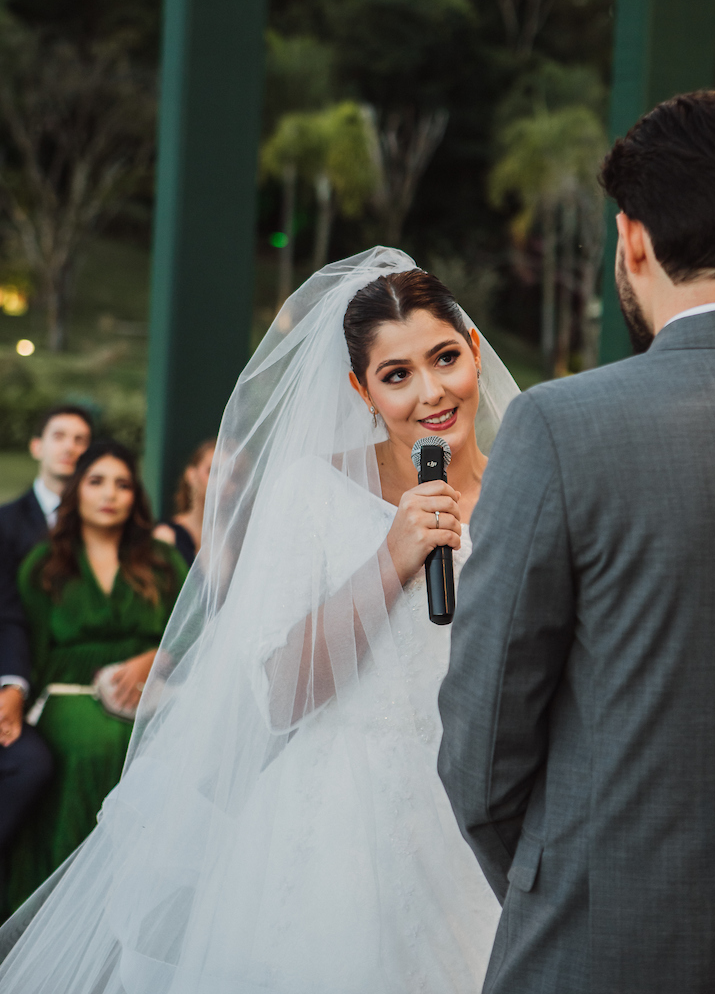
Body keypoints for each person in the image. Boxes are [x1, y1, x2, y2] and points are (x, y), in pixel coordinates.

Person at [0, 249, 518, 993]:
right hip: (341, 828)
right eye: (396, 375)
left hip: (480, 826)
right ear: (361, 390)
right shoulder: (314, 489)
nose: (431, 393)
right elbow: (280, 693)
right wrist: (392, 558)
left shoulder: (525, 491)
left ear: (473, 351)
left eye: (444, 358)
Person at [438, 87, 715, 994]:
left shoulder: (559, 428)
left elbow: (481, 752)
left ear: (631, 239)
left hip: (599, 948)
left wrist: (563, 883)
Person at [6, 439, 187, 912]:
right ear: (77, 493)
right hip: (69, 694)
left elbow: (196, 630)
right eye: (96, 482)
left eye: (123, 484)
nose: (110, 494)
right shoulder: (43, 567)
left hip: (157, 693)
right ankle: (67, 910)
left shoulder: (163, 563)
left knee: (166, 753)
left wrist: (157, 658)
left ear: (136, 497)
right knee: (94, 746)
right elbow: (31, 654)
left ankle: (146, 910)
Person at [0, 405, 92, 915]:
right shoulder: (5, 525)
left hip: (49, 681)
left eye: (82, 439)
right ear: (36, 445)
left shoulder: (101, 531)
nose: (70, 447)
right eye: (60, 435)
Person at [152, 438, 215, 567]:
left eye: (233, 475)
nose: (223, 480)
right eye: (213, 471)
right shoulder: (165, 535)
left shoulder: (236, 543)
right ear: (191, 475)